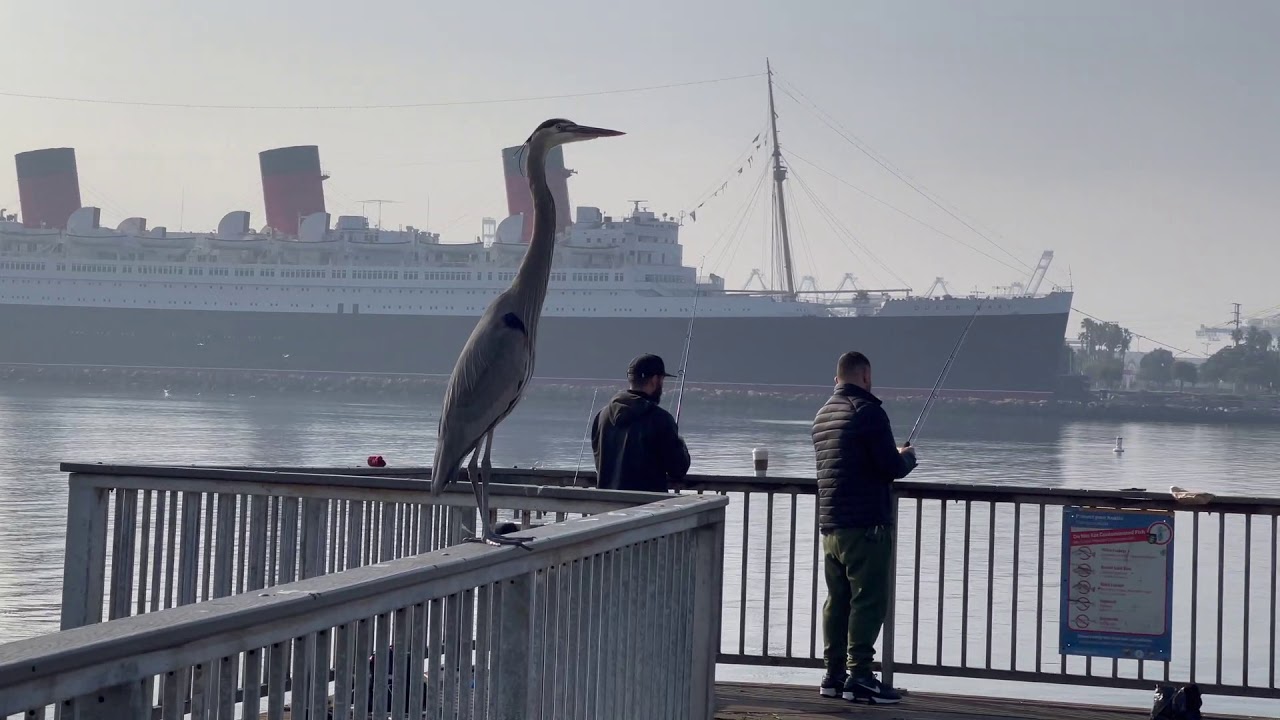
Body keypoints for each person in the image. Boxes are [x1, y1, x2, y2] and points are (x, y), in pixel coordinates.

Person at [812, 351, 917, 705]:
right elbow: (890, 467)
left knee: (837, 601)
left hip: (831, 525)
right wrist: (907, 456)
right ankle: (860, 676)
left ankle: (833, 674)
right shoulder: (868, 411)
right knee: (869, 601)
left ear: (837, 378)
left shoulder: (822, 415)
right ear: (866, 376)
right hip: (866, 527)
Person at [591, 353, 691, 492]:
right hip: (648, 507)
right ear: (655, 380)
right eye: (662, 379)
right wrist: (680, 441)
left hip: (608, 507)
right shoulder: (661, 418)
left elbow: (599, 463)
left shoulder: (602, 415)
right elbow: (678, 469)